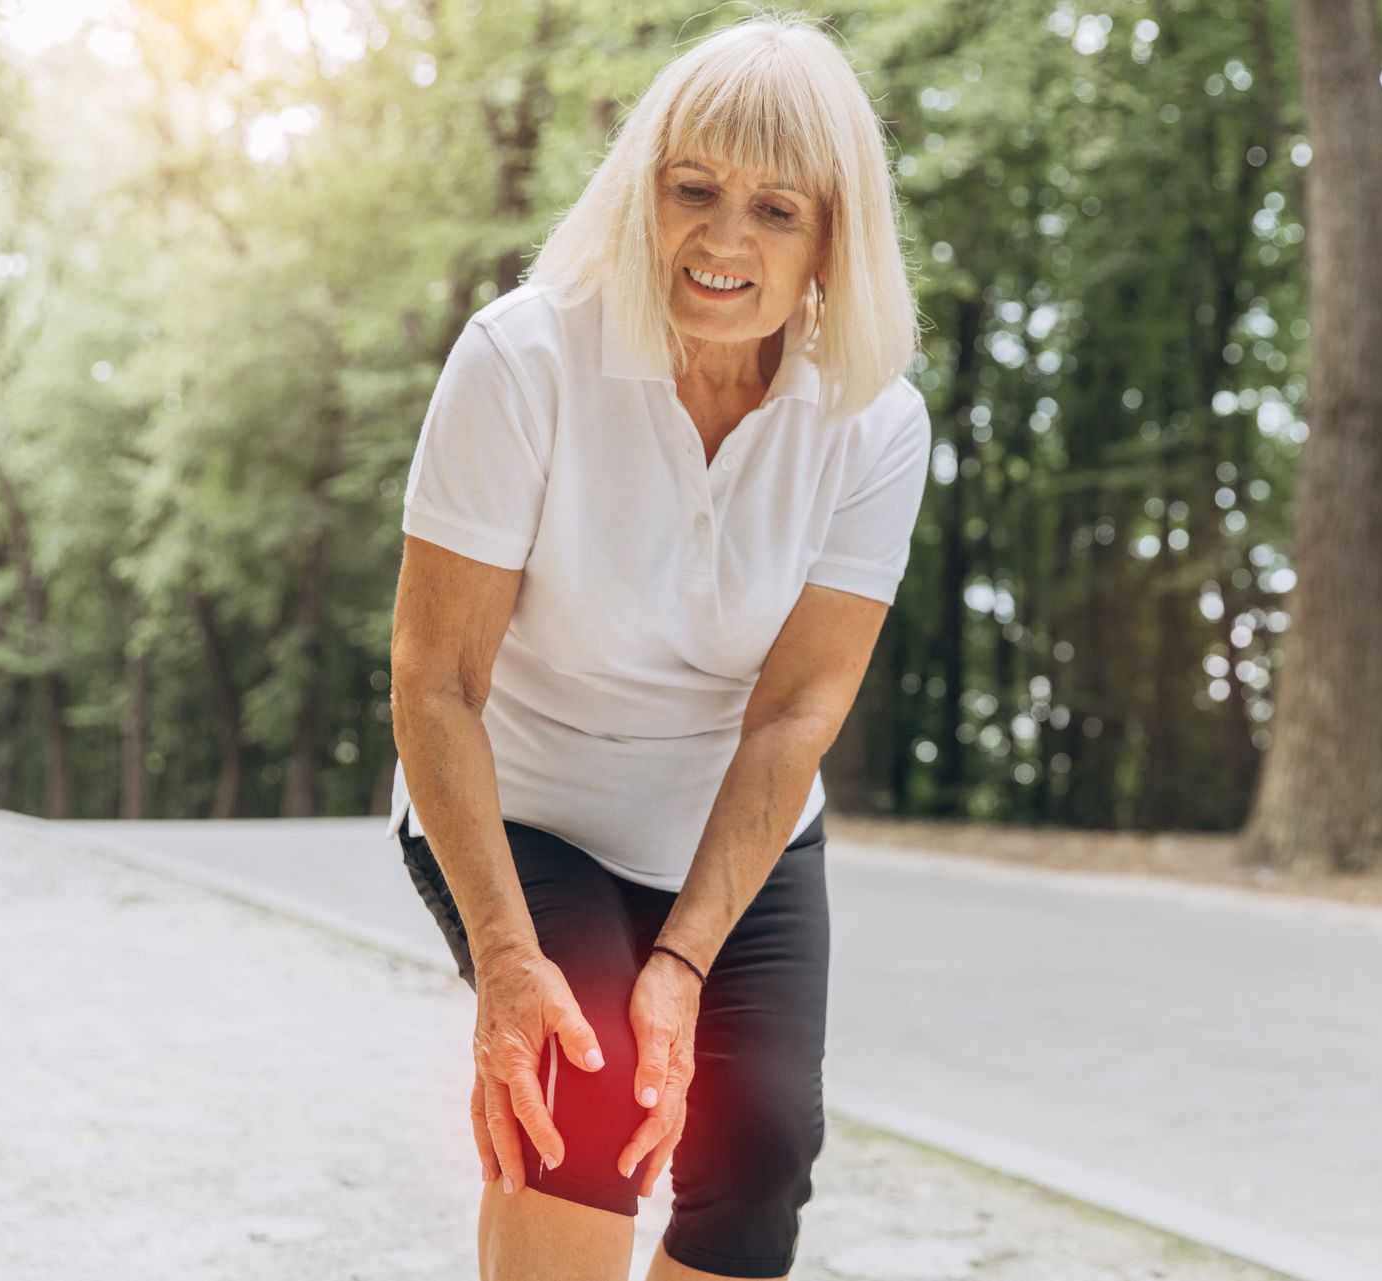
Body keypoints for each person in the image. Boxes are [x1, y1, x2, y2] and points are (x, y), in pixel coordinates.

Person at [385, 14, 931, 1279]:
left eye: (775, 209)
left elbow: (795, 714)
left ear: (832, 239)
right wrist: (511, 962)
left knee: (762, 1148)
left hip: (728, 828)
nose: (724, 239)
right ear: (646, 192)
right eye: (695, 190)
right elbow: (436, 682)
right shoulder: (523, 360)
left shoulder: (874, 422)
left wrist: (684, 957)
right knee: (580, 1096)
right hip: (525, 802)